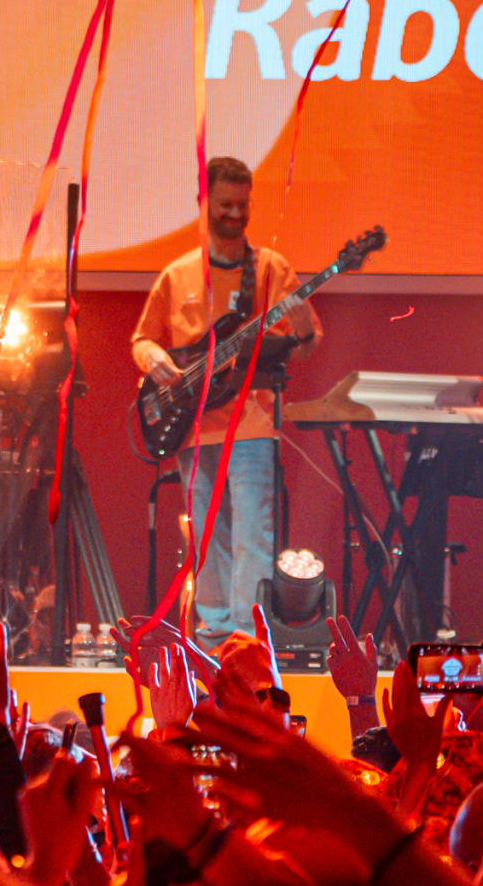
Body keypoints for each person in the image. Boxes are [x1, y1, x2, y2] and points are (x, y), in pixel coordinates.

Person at [131, 156, 321, 644]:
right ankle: (213, 633)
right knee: (206, 533)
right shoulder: (178, 274)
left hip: (251, 421)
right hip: (192, 425)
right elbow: (142, 339)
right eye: (225, 204)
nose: (236, 213)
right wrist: (152, 357)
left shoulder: (271, 268)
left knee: (252, 533)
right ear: (205, 202)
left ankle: (247, 638)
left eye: (243, 204)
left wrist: (303, 326)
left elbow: (306, 343)